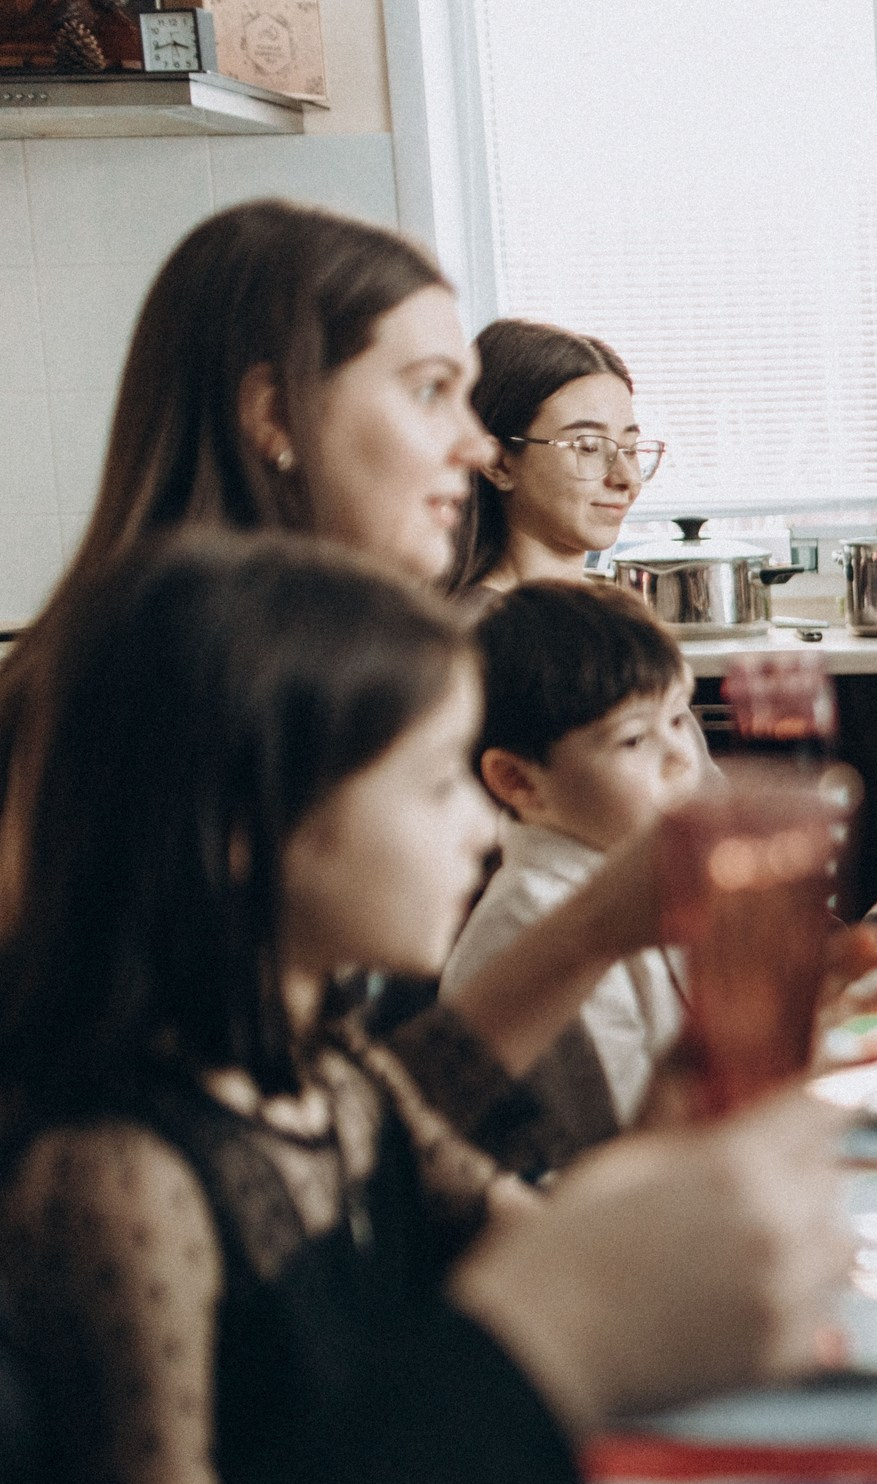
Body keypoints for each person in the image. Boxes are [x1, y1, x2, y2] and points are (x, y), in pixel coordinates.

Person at [0, 532, 856, 1484]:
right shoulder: (118, 1177)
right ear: (250, 828)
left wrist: (692, 1107)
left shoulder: (336, 1075)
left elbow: (535, 1229)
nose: (485, 826)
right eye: (436, 780)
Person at [0, 198, 493, 918]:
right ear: (275, 415)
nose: (476, 444)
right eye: (429, 390)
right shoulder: (153, 706)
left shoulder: (321, 668)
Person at [446, 581, 703, 1167]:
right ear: (520, 783)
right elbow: (622, 1155)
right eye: (634, 738)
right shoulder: (534, 923)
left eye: (679, 718)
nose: (680, 756)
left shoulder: (640, 868)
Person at [448, 319, 663, 604]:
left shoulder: (610, 611)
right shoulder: (479, 631)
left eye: (631, 449)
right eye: (588, 447)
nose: (627, 479)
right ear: (497, 464)